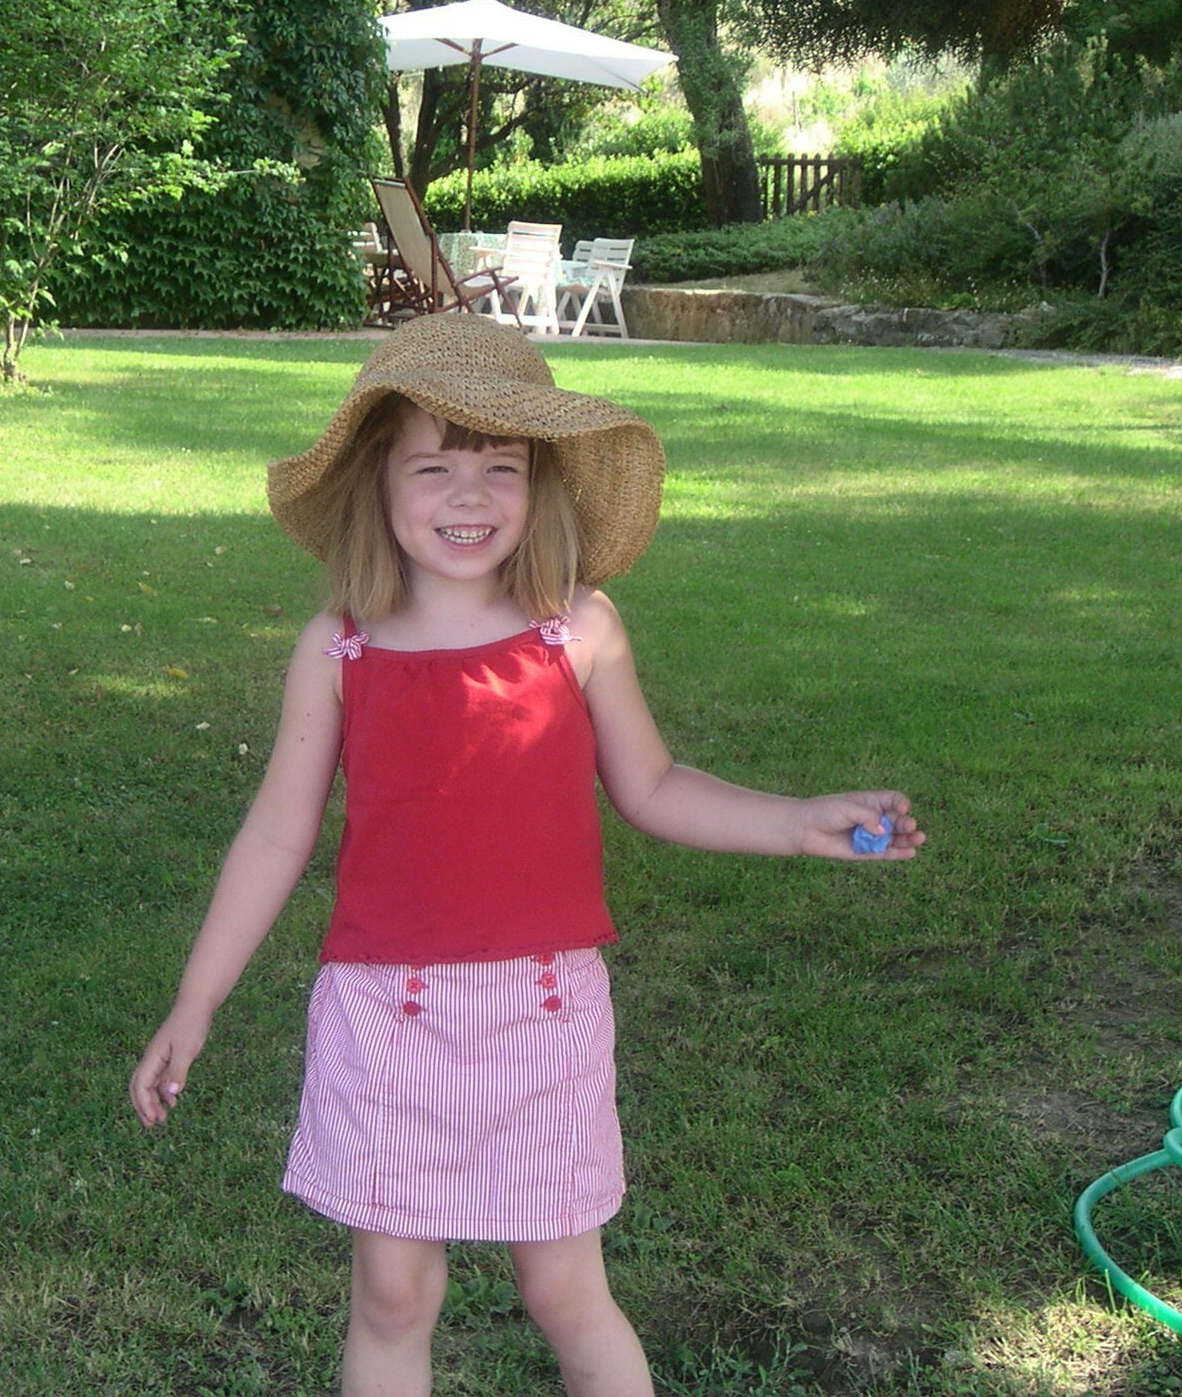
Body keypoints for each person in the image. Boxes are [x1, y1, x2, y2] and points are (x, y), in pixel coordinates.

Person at [130, 313, 926, 1397]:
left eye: (499, 466)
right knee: (391, 1298)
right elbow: (277, 830)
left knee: (564, 1292)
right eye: (433, 467)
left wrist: (795, 821)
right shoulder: (339, 646)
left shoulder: (578, 627)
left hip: (545, 1017)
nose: (468, 495)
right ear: (378, 484)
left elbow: (653, 786)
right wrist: (197, 1000)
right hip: (386, 1017)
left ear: (540, 482)